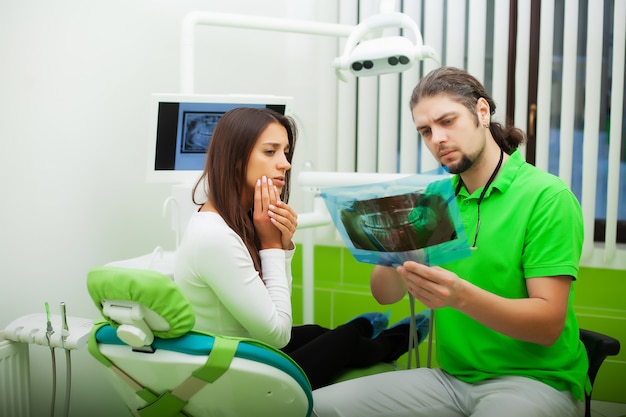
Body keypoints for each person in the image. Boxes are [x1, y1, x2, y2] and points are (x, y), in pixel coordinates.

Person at [312, 67, 587, 417]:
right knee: (315, 407)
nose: (437, 138)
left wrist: (460, 297)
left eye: (447, 121)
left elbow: (548, 325)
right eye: (426, 131)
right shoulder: (435, 201)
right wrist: (393, 248)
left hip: (535, 381)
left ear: (482, 112)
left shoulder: (546, 197)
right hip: (452, 380)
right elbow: (386, 295)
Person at [173, 106, 430, 390]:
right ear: (235, 159)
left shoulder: (232, 222)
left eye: (285, 152)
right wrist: (274, 247)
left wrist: (282, 245)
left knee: (315, 332)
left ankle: (363, 329)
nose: (285, 163)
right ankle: (391, 342)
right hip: (232, 377)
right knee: (341, 340)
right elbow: (277, 334)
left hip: (244, 351)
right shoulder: (215, 236)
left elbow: (270, 307)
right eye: (270, 152)